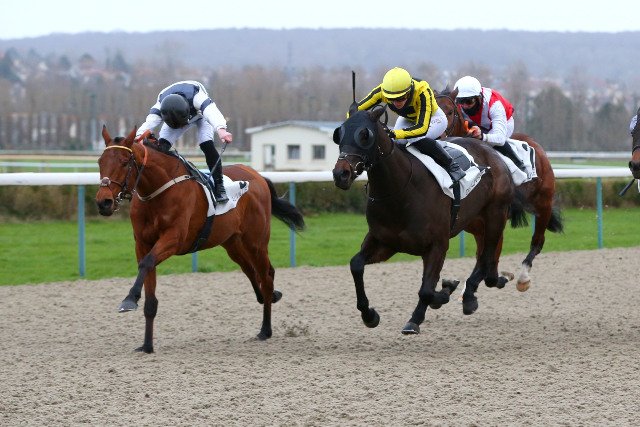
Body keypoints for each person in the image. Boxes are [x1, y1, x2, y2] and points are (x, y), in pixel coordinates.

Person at [355, 67, 466, 183]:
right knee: (398, 142)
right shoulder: (382, 91)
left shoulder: (422, 90)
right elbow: (355, 110)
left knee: (414, 137)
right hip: (409, 118)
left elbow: (422, 129)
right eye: (392, 99)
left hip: (434, 118)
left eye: (401, 98)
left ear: (409, 92)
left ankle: (452, 166)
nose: (396, 103)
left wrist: (394, 133)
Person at [135, 80, 233, 203]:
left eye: (181, 125)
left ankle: (219, 187)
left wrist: (221, 130)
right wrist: (138, 138)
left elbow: (212, 113)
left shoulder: (198, 98)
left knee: (206, 144)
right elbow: (148, 124)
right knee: (162, 148)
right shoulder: (159, 107)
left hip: (200, 115)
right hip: (178, 116)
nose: (182, 128)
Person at [453, 75, 526, 171]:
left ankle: (518, 163)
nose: (465, 106)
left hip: (504, 124)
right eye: (461, 101)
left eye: (469, 101)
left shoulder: (495, 104)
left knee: (490, 144)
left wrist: (482, 137)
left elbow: (500, 139)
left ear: (479, 97)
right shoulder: (458, 105)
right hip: (478, 124)